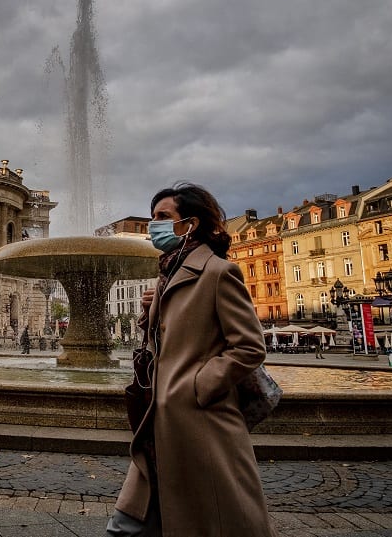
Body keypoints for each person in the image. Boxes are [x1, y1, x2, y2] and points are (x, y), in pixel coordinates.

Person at [106, 183, 278, 537]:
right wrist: (149, 312)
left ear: (190, 223)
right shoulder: (168, 273)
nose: (154, 225)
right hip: (160, 419)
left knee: (213, 517)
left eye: (162, 217)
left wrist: (198, 386)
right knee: (130, 522)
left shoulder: (218, 273)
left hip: (200, 422)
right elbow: (169, 338)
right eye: (153, 216)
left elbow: (248, 346)